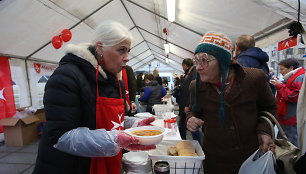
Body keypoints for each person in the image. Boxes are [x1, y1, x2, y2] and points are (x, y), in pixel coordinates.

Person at [33, 21, 156, 174]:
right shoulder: (67, 76)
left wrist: (133, 125)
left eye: (128, 51)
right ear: (100, 48)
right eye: (121, 50)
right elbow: (61, 136)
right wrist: (114, 139)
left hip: (105, 163)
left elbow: (111, 121)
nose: (127, 58)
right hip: (70, 167)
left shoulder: (114, 80)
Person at [186, 31, 277, 174]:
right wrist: (190, 119)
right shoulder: (196, 86)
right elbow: (195, 112)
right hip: (216, 159)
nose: (198, 67)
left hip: (250, 156)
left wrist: (264, 130)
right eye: (196, 60)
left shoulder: (253, 78)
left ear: (223, 61)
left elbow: (270, 107)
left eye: (204, 60)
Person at [270, 58, 305, 146]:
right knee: (284, 140)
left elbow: (294, 96)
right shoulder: (293, 76)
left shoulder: (299, 77)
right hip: (286, 115)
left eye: (282, 69)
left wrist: (279, 85)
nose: (280, 71)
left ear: (291, 68)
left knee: (290, 143)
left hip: (291, 116)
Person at [177, 58, 201, 144]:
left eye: (182, 65)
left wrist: (188, 105)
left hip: (189, 104)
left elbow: (191, 91)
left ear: (185, 65)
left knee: (191, 125)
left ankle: (199, 145)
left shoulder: (193, 73)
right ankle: (183, 141)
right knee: (184, 124)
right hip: (185, 103)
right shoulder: (189, 73)